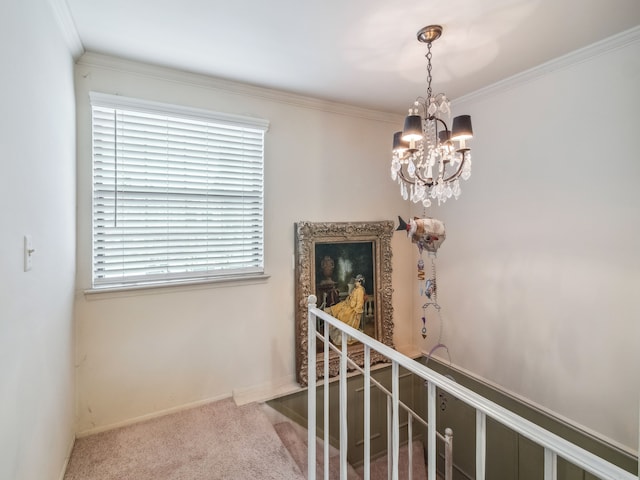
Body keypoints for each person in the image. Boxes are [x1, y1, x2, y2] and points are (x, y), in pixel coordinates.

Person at [325, 274, 365, 346]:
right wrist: (348, 301)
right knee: (340, 307)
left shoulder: (360, 291)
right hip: (350, 305)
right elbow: (350, 297)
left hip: (354, 309)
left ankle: (343, 331)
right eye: (355, 282)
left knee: (343, 314)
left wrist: (356, 310)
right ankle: (330, 312)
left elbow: (359, 303)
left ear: (360, 282)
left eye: (357, 282)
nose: (355, 283)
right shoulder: (355, 289)